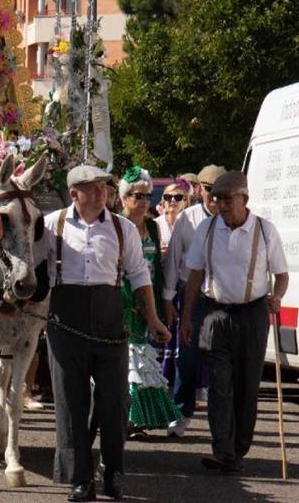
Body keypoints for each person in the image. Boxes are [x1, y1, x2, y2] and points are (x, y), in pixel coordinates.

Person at [39, 164, 172, 501]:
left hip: (110, 320)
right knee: (71, 403)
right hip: (65, 322)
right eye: (93, 187)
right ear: (74, 194)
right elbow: (29, 267)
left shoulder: (122, 227)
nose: (102, 193)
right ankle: (80, 479)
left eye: (104, 187)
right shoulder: (50, 225)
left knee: (114, 402)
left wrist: (154, 320)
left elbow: (140, 276)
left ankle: (113, 472)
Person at [181, 171, 289, 473]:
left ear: (245, 198)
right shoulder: (207, 228)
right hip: (215, 314)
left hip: (253, 315)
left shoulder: (266, 231)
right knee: (219, 384)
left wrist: (276, 297)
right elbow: (194, 276)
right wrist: (187, 317)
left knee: (246, 387)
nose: (221, 205)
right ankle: (223, 450)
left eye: (228, 199)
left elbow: (281, 276)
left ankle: (239, 448)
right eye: (216, 199)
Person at [165, 164, 225, 437]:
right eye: (209, 190)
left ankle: (222, 422)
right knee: (187, 358)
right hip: (191, 295)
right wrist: (167, 298)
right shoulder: (187, 218)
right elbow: (174, 260)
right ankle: (181, 412)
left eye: (219, 191)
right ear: (200, 189)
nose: (213, 197)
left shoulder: (231, 218)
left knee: (220, 361)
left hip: (222, 298)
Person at [118, 168, 181, 433]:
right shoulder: (116, 225)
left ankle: (140, 416)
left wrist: (158, 304)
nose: (143, 201)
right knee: (127, 358)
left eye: (146, 195)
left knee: (143, 357)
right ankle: (126, 415)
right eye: (137, 195)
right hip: (123, 301)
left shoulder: (154, 228)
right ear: (124, 199)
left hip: (148, 300)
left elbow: (157, 268)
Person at [156, 177, 191, 255]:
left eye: (178, 197)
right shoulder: (155, 224)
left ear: (185, 203)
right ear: (163, 201)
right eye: (168, 197)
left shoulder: (190, 225)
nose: (172, 200)